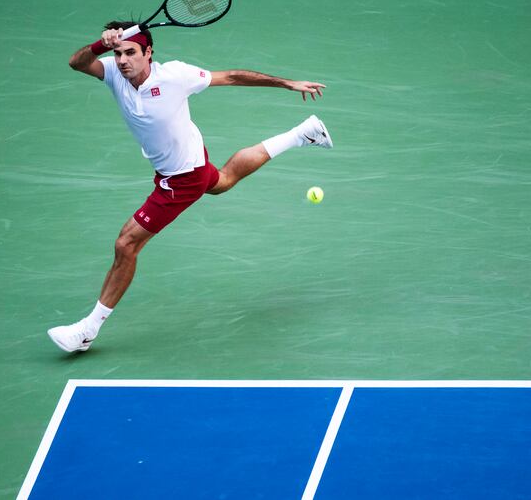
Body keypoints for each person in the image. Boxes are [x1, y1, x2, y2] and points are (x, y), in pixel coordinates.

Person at [47, 21, 333, 353]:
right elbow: (77, 62)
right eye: (118, 53)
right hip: (185, 162)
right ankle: (304, 133)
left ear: (148, 52)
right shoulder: (112, 71)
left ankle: (88, 329)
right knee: (222, 181)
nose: (123, 60)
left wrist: (286, 83)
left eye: (131, 53)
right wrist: (100, 45)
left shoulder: (174, 76)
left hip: (181, 178)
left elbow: (232, 76)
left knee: (126, 244)